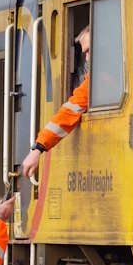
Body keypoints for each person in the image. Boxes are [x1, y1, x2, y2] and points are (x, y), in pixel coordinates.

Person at [21, 26, 90, 179]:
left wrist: (38, 148)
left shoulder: (99, 80)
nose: (86, 58)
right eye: (84, 53)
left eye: (88, 51)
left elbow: (70, 111)